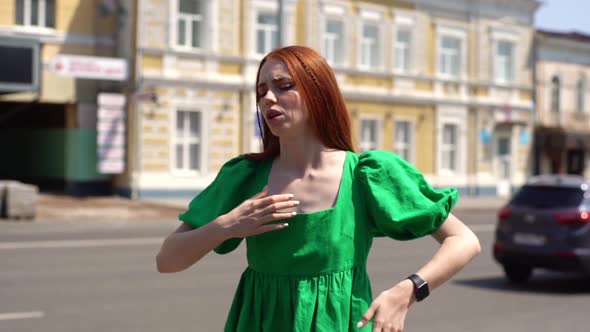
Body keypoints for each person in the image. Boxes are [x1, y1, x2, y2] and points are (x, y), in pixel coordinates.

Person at [156, 45, 481, 331]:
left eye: (284, 86)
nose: (268, 97)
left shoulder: (368, 174)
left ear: (318, 93)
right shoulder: (245, 176)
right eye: (261, 90)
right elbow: (167, 259)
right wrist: (228, 225)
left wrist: (406, 292)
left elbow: (464, 241)